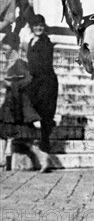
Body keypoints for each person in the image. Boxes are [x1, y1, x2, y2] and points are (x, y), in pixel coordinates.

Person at [0, 32, 40, 170]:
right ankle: (2, 160)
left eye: (6, 48)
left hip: (18, 104)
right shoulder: (11, 61)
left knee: (16, 133)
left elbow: (29, 79)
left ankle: (39, 160)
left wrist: (12, 85)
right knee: (3, 132)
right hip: (11, 103)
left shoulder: (19, 62)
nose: (4, 51)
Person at [26, 15, 58, 172]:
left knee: (45, 119)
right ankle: (39, 155)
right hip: (35, 84)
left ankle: (45, 157)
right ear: (32, 27)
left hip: (46, 85)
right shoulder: (32, 41)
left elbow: (41, 66)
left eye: (41, 25)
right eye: (35, 25)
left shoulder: (46, 43)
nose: (38, 28)